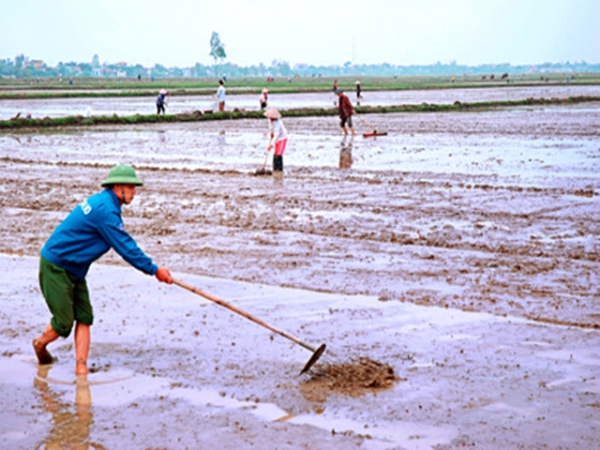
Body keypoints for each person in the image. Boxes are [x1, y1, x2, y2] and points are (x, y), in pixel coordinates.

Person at [32, 164, 173, 376]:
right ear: (118, 187)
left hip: (75, 269)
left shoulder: (105, 203)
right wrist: (154, 270)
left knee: (85, 317)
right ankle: (40, 344)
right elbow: (127, 248)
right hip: (56, 266)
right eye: (131, 187)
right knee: (63, 324)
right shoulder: (106, 211)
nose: (134, 192)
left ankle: (81, 368)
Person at [264, 107, 288, 173]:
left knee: (279, 154)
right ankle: (275, 169)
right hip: (276, 138)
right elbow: (271, 129)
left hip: (282, 138)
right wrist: (271, 133)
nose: (271, 120)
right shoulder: (270, 121)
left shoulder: (278, 123)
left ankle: (279, 170)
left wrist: (271, 145)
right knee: (275, 153)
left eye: (272, 118)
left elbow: (277, 134)